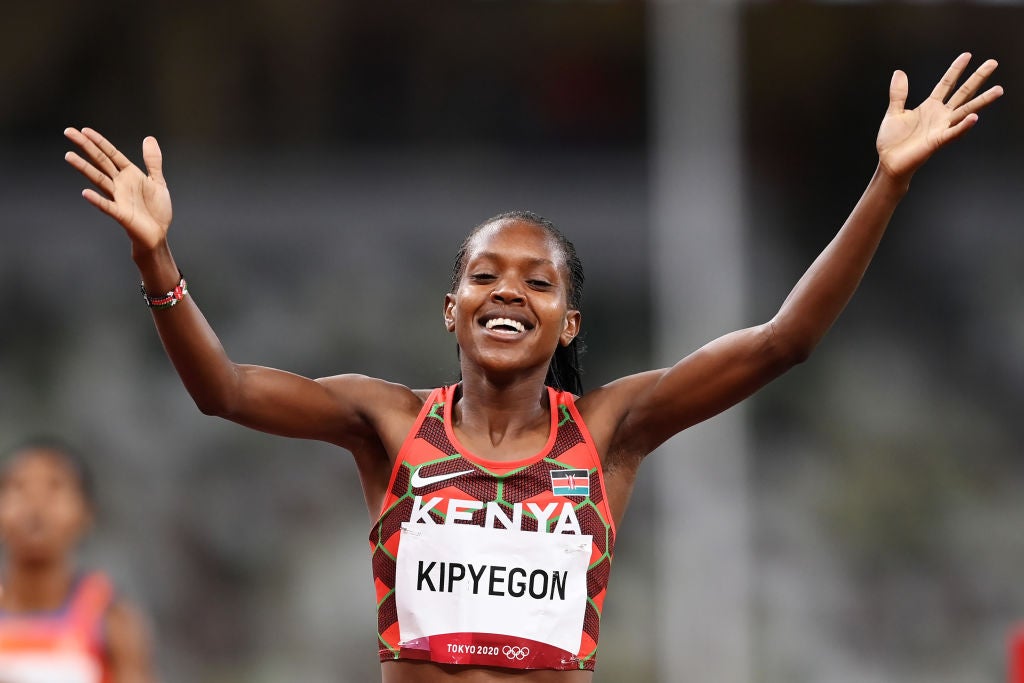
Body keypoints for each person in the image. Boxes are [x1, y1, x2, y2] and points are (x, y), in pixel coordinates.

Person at [63, 53, 1001, 682]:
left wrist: (886, 183)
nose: (508, 291)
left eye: (537, 281)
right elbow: (220, 390)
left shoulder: (608, 431)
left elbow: (782, 340)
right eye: (484, 274)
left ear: (567, 319)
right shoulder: (387, 424)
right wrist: (155, 259)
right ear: (452, 308)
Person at [0, 438, 156, 683]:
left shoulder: (111, 619)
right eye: (18, 487)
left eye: (55, 487)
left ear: (85, 513)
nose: (35, 503)